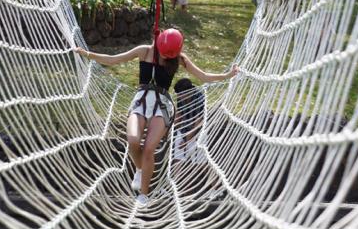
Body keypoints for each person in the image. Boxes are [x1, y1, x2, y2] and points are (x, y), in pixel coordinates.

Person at [75, 29, 237, 208]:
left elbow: (204, 76)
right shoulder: (144, 51)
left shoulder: (179, 59)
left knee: (150, 147)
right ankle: (139, 169)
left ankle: (143, 195)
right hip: (141, 101)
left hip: (161, 104)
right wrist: (87, 54)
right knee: (133, 140)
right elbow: (114, 59)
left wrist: (227, 75)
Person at [172, 77, 207, 170]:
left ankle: (215, 184)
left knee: (201, 163)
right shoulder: (181, 96)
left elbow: (198, 122)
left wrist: (186, 141)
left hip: (198, 133)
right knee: (177, 158)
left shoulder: (200, 98)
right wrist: (169, 130)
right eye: (178, 95)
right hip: (184, 129)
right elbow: (179, 115)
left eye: (181, 95)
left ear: (188, 92)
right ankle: (175, 181)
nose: (179, 97)